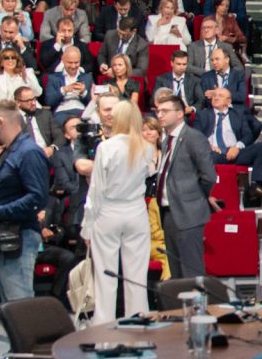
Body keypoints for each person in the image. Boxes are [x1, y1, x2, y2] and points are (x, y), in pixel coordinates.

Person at [80, 97, 160, 320]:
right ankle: (139, 322)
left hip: (109, 212)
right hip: (136, 213)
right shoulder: (147, 148)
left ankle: (104, 327)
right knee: (137, 277)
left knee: (105, 277)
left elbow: (96, 191)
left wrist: (87, 227)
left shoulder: (106, 147)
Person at [0, 101, 50, 302]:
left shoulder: (28, 152)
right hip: (3, 236)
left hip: (19, 236)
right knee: (10, 306)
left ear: (0, 122)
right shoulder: (12, 151)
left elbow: (37, 198)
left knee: (20, 304)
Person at [150, 90, 218, 284]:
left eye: (165, 111)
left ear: (180, 113)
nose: (160, 115)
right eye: (158, 111)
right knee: (176, 271)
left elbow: (209, 176)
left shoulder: (193, 137)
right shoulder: (167, 140)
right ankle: (180, 303)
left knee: (191, 270)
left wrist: (194, 197)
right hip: (168, 211)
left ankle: (197, 303)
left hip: (188, 211)